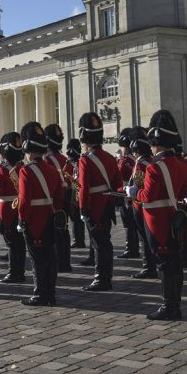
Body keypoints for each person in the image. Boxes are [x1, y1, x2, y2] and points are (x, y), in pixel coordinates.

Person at [130, 110, 187, 319]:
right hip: (175, 219)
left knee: (165, 264)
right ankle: (176, 304)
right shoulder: (182, 165)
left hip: (158, 222)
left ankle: (168, 307)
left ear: (156, 142)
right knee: (174, 264)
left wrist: (133, 192)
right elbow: (184, 193)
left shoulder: (155, 168)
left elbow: (147, 196)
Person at [17, 122, 63, 306]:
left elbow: (25, 200)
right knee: (50, 257)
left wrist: (22, 219)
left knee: (37, 259)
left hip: (34, 219)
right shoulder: (52, 170)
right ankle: (50, 293)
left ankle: (40, 294)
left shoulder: (26, 171)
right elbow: (59, 196)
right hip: (50, 216)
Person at [77, 112, 121, 292]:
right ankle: (106, 277)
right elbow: (117, 183)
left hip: (93, 206)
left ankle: (101, 278)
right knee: (105, 242)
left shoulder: (85, 160)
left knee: (98, 243)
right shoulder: (110, 158)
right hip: (107, 204)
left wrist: (82, 208)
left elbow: (83, 188)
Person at [0, 132, 27, 284]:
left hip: (6, 208)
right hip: (19, 205)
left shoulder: (1, 169)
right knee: (19, 242)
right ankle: (21, 271)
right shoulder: (23, 167)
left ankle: (14, 272)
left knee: (11, 242)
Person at [128, 128, 157, 279]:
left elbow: (138, 187)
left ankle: (148, 266)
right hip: (147, 203)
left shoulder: (140, 164)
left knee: (143, 237)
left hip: (140, 204)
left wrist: (129, 191)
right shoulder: (151, 161)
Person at [43, 124, 72, 273]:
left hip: (55, 200)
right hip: (67, 198)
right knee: (64, 231)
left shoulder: (47, 160)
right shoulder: (64, 158)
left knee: (55, 233)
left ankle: (60, 262)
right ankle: (65, 262)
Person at [116, 129, 139, 260]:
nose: (123, 150)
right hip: (123, 191)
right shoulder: (125, 159)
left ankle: (131, 248)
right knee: (128, 222)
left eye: (125, 148)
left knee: (129, 222)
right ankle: (130, 246)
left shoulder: (128, 160)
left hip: (127, 191)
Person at [64, 139, 86, 251]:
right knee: (77, 217)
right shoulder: (79, 161)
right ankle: (79, 239)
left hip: (72, 191)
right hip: (75, 190)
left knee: (74, 216)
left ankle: (77, 240)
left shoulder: (71, 163)